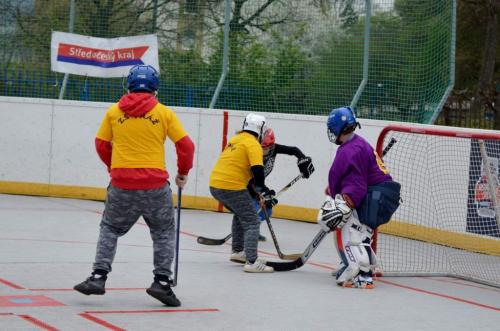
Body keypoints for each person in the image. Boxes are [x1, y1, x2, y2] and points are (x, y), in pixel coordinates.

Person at [73, 65, 195, 306]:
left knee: (110, 228)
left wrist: (114, 167)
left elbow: (101, 144)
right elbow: (186, 146)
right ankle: (161, 282)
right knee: (163, 232)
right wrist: (182, 172)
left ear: (128, 85)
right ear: (155, 88)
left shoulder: (113, 112)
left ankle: (98, 277)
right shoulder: (163, 113)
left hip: (121, 184)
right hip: (155, 185)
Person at [317, 106, 400, 289]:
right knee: (362, 231)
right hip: (385, 194)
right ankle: (355, 264)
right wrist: (335, 190)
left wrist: (344, 203)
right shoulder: (358, 143)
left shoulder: (349, 151)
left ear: (336, 129)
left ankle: (362, 275)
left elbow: (357, 186)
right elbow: (355, 177)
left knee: (352, 228)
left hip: (377, 195)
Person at [209, 113, 275, 273]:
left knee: (241, 213)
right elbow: (258, 171)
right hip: (231, 187)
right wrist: (263, 191)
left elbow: (245, 174)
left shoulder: (236, 140)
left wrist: (257, 192)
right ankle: (252, 261)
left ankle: (238, 251)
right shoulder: (253, 144)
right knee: (252, 221)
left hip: (215, 184)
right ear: (260, 129)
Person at [248, 128, 315, 241]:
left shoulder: (274, 148)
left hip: (258, 184)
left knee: (267, 210)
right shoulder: (253, 153)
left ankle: (253, 228)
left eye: (266, 148)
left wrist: (303, 159)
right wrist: (263, 193)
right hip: (247, 185)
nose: (263, 151)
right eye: (261, 147)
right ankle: (247, 229)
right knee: (254, 207)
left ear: (271, 145)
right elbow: (250, 182)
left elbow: (294, 150)